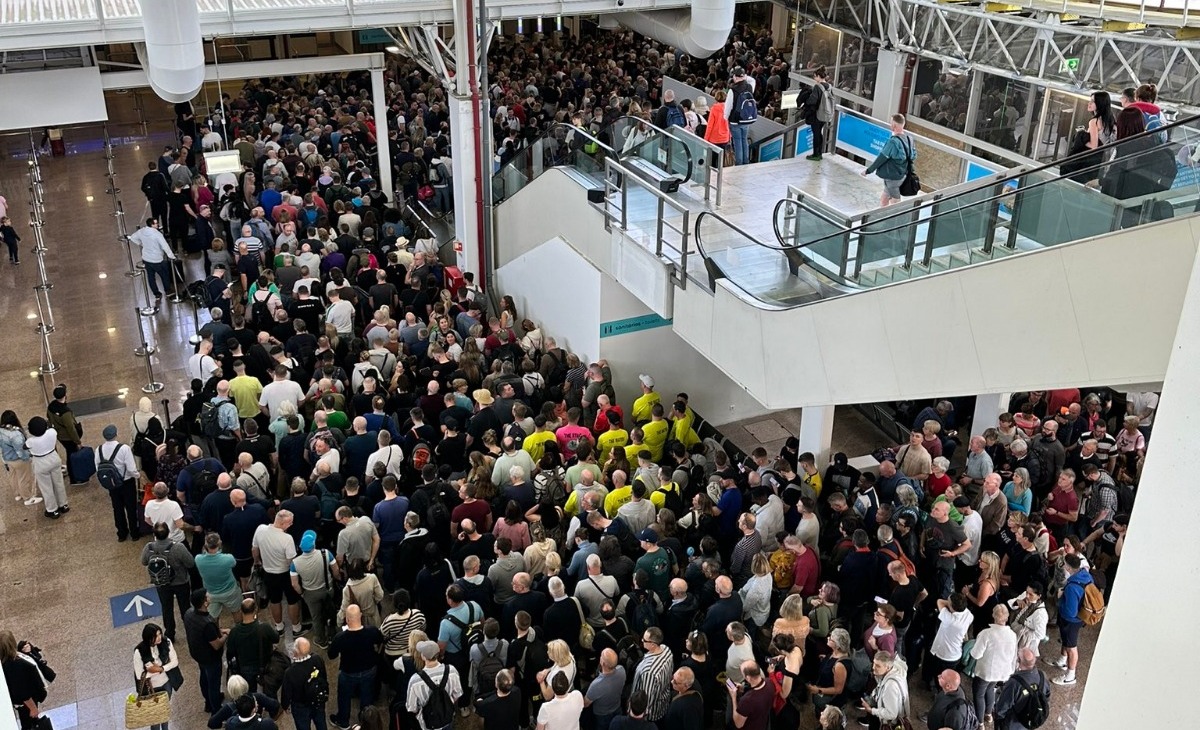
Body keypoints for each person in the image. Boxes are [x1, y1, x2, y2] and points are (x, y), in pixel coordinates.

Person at [328, 604, 384, 729]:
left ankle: (343, 721)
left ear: (347, 619)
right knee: (367, 695)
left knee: (344, 697)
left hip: (348, 672)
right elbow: (381, 641)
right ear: (360, 616)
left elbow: (331, 655)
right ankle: (366, 722)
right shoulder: (372, 631)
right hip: (369, 670)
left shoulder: (340, 638)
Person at [142, 521, 196, 642]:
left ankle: (170, 633)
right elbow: (190, 563)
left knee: (166, 608)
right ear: (168, 533)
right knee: (185, 607)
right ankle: (190, 631)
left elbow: (144, 562)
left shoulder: (149, 547)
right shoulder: (178, 547)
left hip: (161, 583)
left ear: (154, 534)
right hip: (181, 582)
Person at [1048, 554, 1092, 685]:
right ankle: (1062, 660)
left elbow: (1071, 612)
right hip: (1079, 617)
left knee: (1072, 647)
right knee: (1066, 642)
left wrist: (1061, 597)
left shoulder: (1072, 587)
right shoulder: (1085, 576)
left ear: (1067, 567)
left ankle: (1070, 676)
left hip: (1071, 621)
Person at [971, 604, 1019, 724]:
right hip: (1002, 671)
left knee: (979, 694)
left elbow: (976, 654)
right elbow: (1014, 655)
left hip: (985, 671)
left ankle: (980, 722)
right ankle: (988, 714)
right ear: (1007, 618)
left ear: (993, 616)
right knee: (990, 689)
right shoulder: (1012, 635)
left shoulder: (986, 633)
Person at [183, 588, 230, 714]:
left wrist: (218, 631)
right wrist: (226, 635)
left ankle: (208, 703)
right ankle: (216, 711)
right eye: (207, 596)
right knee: (214, 684)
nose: (209, 596)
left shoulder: (188, 613)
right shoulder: (207, 623)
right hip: (211, 658)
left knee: (204, 677)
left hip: (198, 654)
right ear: (204, 603)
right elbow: (216, 645)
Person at [96, 423, 145, 541]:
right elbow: (131, 469)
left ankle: (122, 534)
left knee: (117, 508)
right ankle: (134, 533)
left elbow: (98, 467)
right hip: (126, 482)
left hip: (112, 484)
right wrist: (138, 476)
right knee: (131, 508)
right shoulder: (124, 449)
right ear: (116, 434)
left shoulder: (99, 450)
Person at [132, 623, 181, 730]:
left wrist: (160, 669)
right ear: (148, 638)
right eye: (155, 636)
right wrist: (157, 670)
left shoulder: (166, 642)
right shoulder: (139, 651)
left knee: (164, 710)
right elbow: (140, 675)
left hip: (166, 683)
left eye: (159, 634)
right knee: (155, 716)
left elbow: (175, 662)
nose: (159, 638)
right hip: (151, 688)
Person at [407, 640, 464, 730]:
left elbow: (412, 707)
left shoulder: (415, 680)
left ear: (423, 656)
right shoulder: (451, 670)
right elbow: (457, 694)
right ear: (437, 654)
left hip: (428, 723)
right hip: (447, 718)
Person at [861, 114, 915, 207]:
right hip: (903, 174)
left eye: (891, 123)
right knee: (884, 199)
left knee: (895, 202)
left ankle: (896, 220)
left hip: (892, 177)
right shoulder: (910, 140)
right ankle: (881, 217)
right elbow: (913, 156)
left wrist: (868, 170)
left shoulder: (893, 142)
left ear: (894, 126)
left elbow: (881, 158)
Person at [2, 630, 48, 729]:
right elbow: (23, 692)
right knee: (29, 724)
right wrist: (33, 708)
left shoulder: (6, 661)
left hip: (25, 702)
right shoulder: (16, 666)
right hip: (27, 704)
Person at [994, 648, 1051, 730]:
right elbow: (1047, 697)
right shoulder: (1042, 676)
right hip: (1031, 719)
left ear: (1019, 661)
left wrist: (998, 718)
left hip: (1013, 723)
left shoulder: (1014, 682)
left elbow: (1002, 707)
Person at [281, 637, 329, 730]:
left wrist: (285, 705)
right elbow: (323, 676)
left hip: (300, 706)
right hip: (317, 700)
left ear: (296, 651)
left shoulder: (290, 672)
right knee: (321, 723)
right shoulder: (317, 659)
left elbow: (286, 692)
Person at [25, 415, 68, 518]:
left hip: (41, 462)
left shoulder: (31, 441)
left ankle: (52, 510)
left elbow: (24, 446)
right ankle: (63, 505)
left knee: (46, 488)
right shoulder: (52, 433)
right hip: (54, 458)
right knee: (58, 483)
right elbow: (51, 427)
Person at [129, 218, 180, 301]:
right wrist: (171, 256)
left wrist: (141, 244)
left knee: (151, 277)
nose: (157, 225)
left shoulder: (142, 231)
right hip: (157, 259)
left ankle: (156, 294)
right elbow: (165, 246)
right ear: (151, 225)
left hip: (146, 259)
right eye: (156, 223)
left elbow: (133, 237)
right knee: (164, 275)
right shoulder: (157, 234)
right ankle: (167, 290)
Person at [859, 651, 909, 730]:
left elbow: (891, 714)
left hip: (890, 723)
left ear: (888, 667)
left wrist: (871, 710)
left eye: (878, 666)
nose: (873, 667)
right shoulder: (896, 669)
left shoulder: (890, 686)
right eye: (874, 663)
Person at [0, 410, 38, 506]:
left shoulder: (1, 430)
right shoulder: (15, 434)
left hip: (7, 458)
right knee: (24, 478)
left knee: (13, 477)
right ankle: (28, 498)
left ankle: (17, 494)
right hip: (18, 460)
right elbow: (21, 450)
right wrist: (28, 457)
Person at [727, 658, 775, 730]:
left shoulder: (747, 700)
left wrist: (733, 697)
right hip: (763, 723)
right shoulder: (770, 682)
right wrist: (744, 688)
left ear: (748, 678)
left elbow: (738, 724)